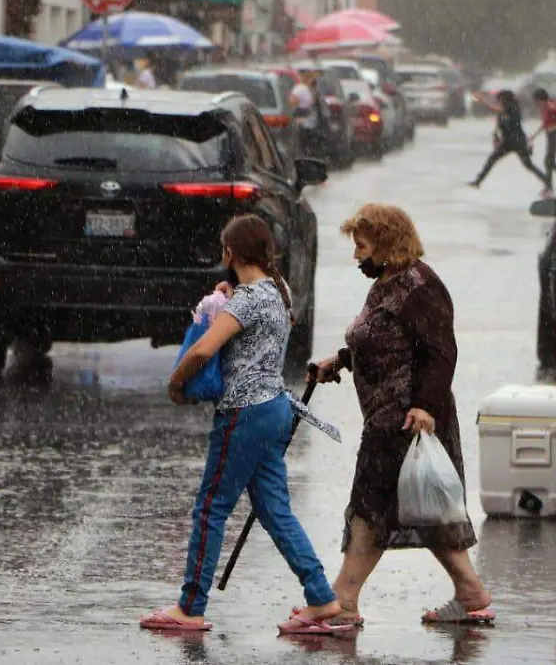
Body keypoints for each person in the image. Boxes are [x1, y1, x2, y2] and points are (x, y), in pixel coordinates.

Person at [141, 215, 353, 636]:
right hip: (275, 408)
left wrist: (175, 382)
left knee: (211, 508)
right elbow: (248, 317)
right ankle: (322, 597)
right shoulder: (277, 290)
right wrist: (227, 294)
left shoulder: (247, 301)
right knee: (275, 511)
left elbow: (204, 349)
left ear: (230, 253)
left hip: (242, 414)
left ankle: (190, 606)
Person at [296, 203, 495, 627]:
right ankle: (470, 590)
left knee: (371, 508)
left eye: (362, 246)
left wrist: (423, 406)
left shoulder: (420, 285)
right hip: (388, 414)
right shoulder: (387, 282)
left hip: (404, 417)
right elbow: (381, 338)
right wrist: (342, 360)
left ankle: (344, 600)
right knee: (422, 508)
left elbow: (442, 353)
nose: (356, 257)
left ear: (387, 244)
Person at [468, 90, 548, 190]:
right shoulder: (504, 109)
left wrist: (483, 100)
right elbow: (500, 124)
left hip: (516, 140)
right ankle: (478, 181)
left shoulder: (512, 107)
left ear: (504, 99)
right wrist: (496, 136)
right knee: (493, 160)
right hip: (508, 141)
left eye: (499, 99)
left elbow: (497, 109)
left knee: (527, 165)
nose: (498, 101)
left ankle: (547, 181)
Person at [528, 88, 556, 195]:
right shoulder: (544, 108)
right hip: (551, 135)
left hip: (555, 135)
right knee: (550, 161)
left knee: (548, 161)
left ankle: (552, 184)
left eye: (537, 100)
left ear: (541, 99)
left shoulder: (550, 106)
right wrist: (534, 136)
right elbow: (545, 124)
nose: (536, 103)